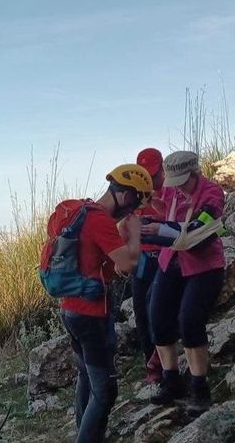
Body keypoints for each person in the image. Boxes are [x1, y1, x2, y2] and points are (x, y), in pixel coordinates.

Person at [58, 164, 153, 443]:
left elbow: (108, 263)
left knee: (86, 376)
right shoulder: (99, 221)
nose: (132, 211)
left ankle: (86, 433)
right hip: (91, 315)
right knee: (105, 390)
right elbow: (128, 263)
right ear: (125, 196)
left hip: (70, 309)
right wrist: (134, 233)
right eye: (135, 203)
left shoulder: (83, 212)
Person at [142, 151, 225, 417]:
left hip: (204, 266)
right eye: (172, 181)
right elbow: (165, 209)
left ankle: (199, 388)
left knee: (189, 320)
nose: (176, 187)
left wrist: (162, 229)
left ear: (194, 173)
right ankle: (171, 381)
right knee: (158, 317)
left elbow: (199, 231)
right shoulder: (172, 192)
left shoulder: (212, 193)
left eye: (181, 181)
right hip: (171, 262)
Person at [132, 148, 166, 384]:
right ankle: (151, 365)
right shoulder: (135, 194)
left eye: (153, 175)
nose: (150, 181)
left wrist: (159, 218)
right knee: (141, 314)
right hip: (141, 261)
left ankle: (164, 362)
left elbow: (181, 221)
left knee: (159, 311)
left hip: (165, 259)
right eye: (145, 175)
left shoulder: (172, 191)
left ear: (162, 169)